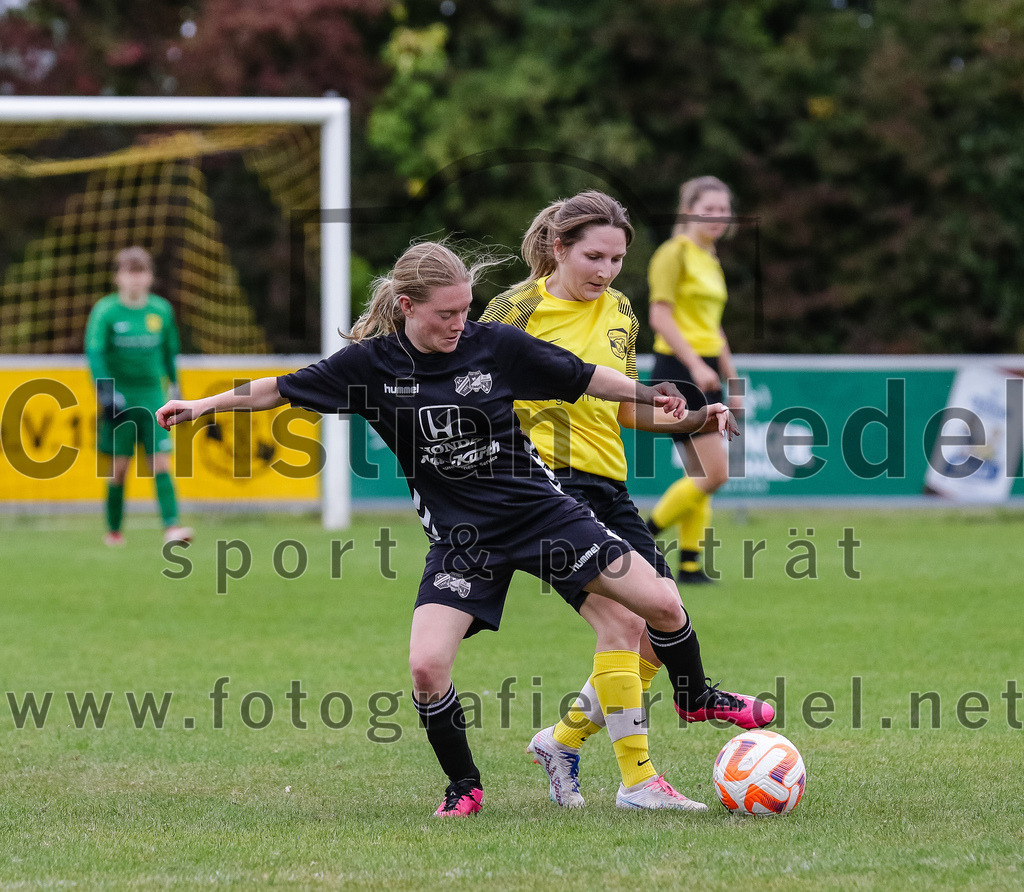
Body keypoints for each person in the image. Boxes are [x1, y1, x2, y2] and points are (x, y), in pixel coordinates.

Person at [158, 241, 734, 818]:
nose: (460, 324)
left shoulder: (495, 346)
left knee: (661, 603)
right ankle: (465, 786)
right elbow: (277, 389)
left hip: (543, 517)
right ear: (406, 306)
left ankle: (693, 697)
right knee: (427, 668)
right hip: (464, 543)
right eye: (445, 315)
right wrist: (204, 404)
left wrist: (664, 399)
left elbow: (585, 378)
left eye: (465, 310)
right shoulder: (371, 367)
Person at [480, 191, 772, 809]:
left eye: (616, 259)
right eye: (593, 257)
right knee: (626, 620)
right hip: (545, 489)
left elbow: (618, 408)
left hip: (608, 486)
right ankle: (640, 782)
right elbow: (471, 387)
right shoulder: (516, 309)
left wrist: (691, 422)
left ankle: (560, 742)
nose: (606, 272)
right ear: (558, 248)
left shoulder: (618, 310)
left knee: (652, 638)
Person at [646, 176, 740, 583]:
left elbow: (711, 326)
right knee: (715, 473)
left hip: (704, 366)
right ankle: (643, 536)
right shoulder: (674, 254)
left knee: (701, 473)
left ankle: (688, 563)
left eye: (724, 209)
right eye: (710, 208)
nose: (718, 217)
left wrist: (729, 374)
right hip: (678, 368)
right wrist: (696, 366)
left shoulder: (711, 257)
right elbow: (660, 316)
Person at [84, 246, 192, 547]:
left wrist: (175, 386)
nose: (135, 280)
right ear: (118, 277)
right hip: (120, 396)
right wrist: (106, 392)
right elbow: (95, 353)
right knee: (119, 467)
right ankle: (114, 530)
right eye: (129, 273)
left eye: (141, 273)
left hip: (152, 395)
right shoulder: (106, 311)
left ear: (150, 277)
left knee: (161, 461)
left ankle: (172, 528)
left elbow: (170, 353)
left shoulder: (160, 310)